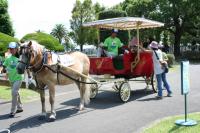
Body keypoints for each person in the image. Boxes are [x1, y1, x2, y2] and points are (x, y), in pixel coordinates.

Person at [3, 42, 24, 118]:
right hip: (11, 79)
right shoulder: (8, 58)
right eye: (10, 49)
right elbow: (4, 66)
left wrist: (29, 77)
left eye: (13, 49)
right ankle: (20, 107)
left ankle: (12, 111)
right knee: (16, 93)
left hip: (19, 78)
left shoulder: (21, 58)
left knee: (14, 92)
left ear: (17, 49)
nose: (11, 50)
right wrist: (5, 71)